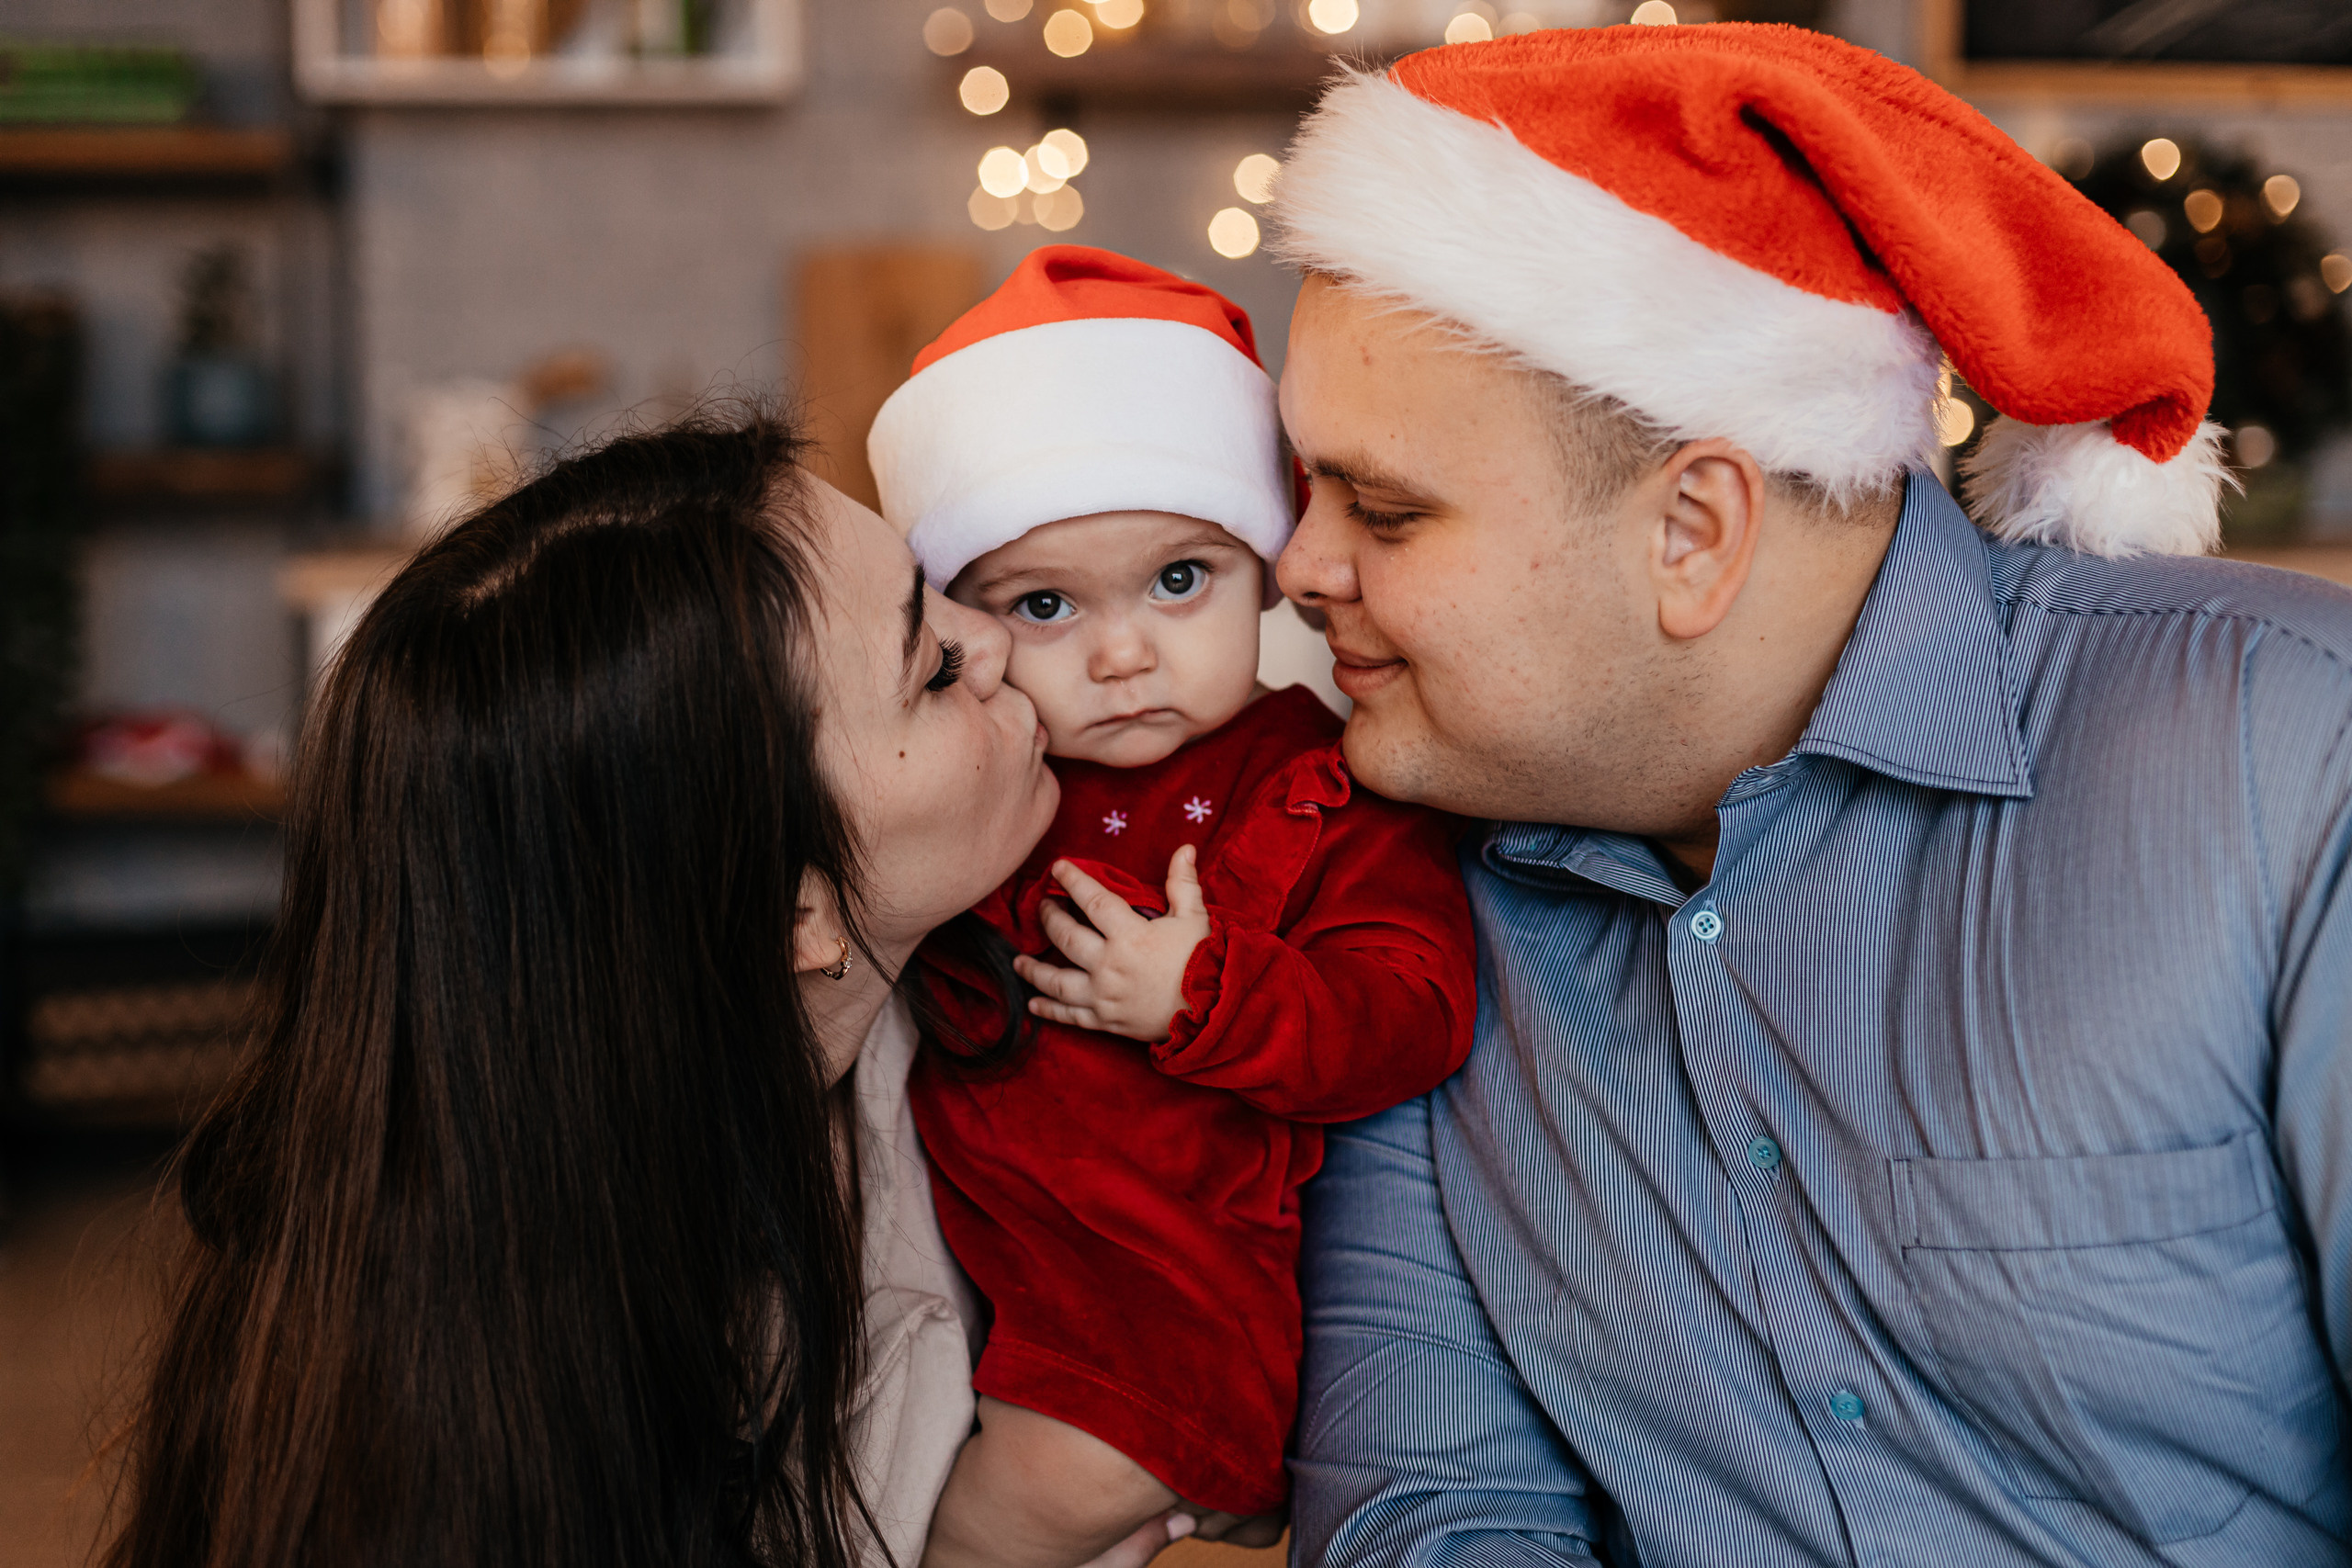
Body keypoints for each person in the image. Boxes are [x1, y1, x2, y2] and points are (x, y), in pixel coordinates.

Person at [1269, 24, 2352, 1568]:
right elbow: (1436, 1511)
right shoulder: (1396, 914)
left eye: (1382, 507)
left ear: (1695, 529)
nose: (1300, 567)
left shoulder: (2289, 757)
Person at [100, 408, 1155, 1568]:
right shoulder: (458, 1443)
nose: (998, 639)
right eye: (934, 666)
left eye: (941, 588)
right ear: (790, 910)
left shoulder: (984, 990)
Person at [864, 246, 1478, 1568]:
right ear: (964, 631)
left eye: (1179, 578)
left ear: (1267, 567)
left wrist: (1210, 990)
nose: (1125, 649)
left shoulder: (1323, 786)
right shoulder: (987, 776)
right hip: (991, 1305)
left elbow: (1413, 1009)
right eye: (1045, 603)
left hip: (1153, 1338)